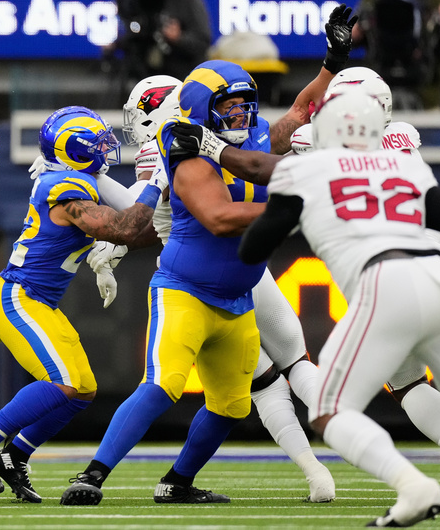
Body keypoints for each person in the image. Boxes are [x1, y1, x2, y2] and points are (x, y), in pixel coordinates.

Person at [181, 66, 440, 463]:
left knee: (344, 405)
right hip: (437, 271)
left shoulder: (319, 152)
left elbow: (259, 167)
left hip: (382, 284)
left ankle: (411, 486)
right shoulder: (405, 149)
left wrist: (213, 147)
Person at [89, 73, 337, 502]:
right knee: (263, 378)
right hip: (210, 274)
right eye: (230, 105)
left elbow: (138, 221)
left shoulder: (204, 139)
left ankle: (323, 465)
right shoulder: (196, 142)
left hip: (235, 276)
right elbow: (158, 215)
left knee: (265, 382)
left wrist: (95, 193)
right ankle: (321, 469)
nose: (239, 113)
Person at [238, 89, 440, 527]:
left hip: (385, 282)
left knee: (330, 411)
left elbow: (252, 247)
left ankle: (414, 487)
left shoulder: (312, 166)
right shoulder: (406, 161)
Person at [60, 61, 269, 506]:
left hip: (237, 299)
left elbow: (283, 133)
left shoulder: (259, 133)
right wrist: (296, 205)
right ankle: (92, 474)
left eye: (244, 106)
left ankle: (178, 481)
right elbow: (216, 217)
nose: (239, 116)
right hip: (186, 289)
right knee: (163, 384)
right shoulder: (183, 147)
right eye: (227, 107)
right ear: (200, 110)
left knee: (234, 406)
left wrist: (330, 67)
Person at [0, 107, 162, 503]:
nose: (107, 150)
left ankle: (16, 454)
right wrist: (159, 181)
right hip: (18, 297)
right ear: (77, 150)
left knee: (83, 389)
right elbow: (125, 229)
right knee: (63, 381)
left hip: (39, 301)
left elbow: (123, 227)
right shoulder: (64, 188)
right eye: (99, 144)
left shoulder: (73, 180)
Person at [106, 0, 212, 88]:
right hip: (151, 79)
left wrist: (179, 38)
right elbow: (141, 32)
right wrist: (117, 44)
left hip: (184, 77)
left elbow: (203, 41)